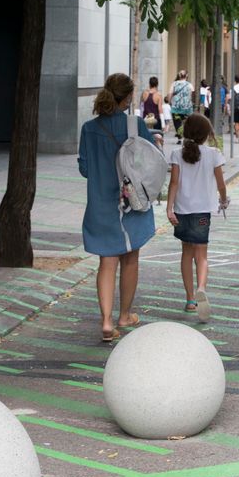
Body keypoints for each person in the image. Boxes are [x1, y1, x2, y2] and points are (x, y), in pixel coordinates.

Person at [78, 73, 162, 343]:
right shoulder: (134, 125)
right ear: (126, 97)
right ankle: (124, 315)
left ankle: (105, 321)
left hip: (101, 204)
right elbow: (148, 163)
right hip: (131, 204)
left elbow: (85, 169)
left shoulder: (89, 129)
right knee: (130, 258)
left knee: (107, 261)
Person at [167, 113, 227, 321]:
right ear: (206, 134)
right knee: (202, 255)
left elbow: (173, 183)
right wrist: (224, 200)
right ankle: (202, 287)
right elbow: (221, 184)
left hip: (182, 210)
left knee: (186, 253)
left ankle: (190, 299)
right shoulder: (214, 154)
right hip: (203, 212)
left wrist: (169, 209)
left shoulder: (176, 153)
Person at [169, 70, 195, 137]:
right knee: (187, 122)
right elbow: (193, 94)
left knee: (177, 122)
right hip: (187, 107)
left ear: (179, 75)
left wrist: (170, 102)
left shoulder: (174, 84)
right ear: (187, 75)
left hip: (176, 107)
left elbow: (170, 93)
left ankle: (179, 137)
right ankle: (186, 135)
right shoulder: (189, 84)